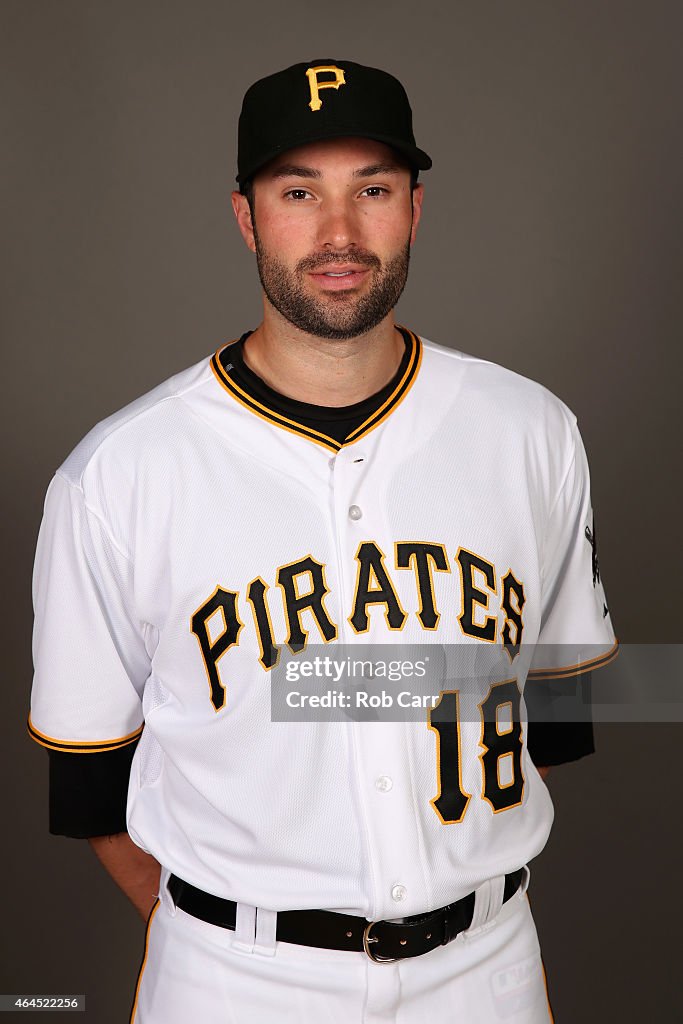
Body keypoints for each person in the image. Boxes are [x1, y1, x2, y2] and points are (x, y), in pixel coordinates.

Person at [29, 59, 617, 1022]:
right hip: (233, 981)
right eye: (298, 192)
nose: (338, 233)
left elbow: (554, 715)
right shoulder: (119, 473)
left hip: (484, 972)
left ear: (415, 209)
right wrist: (233, 944)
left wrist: (467, 914)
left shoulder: (530, 430)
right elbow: (92, 782)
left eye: (372, 190)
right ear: (245, 216)